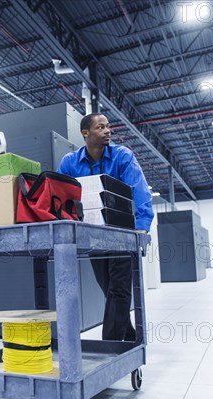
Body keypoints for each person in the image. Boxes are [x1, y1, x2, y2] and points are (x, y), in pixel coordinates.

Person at [57, 113, 154, 341]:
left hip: (122, 233)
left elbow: (139, 190)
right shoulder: (69, 162)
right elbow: (61, 195)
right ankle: (130, 335)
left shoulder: (122, 156)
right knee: (109, 289)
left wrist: (141, 226)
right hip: (93, 234)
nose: (107, 130)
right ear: (85, 133)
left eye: (108, 126)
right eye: (100, 127)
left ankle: (109, 346)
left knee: (119, 289)